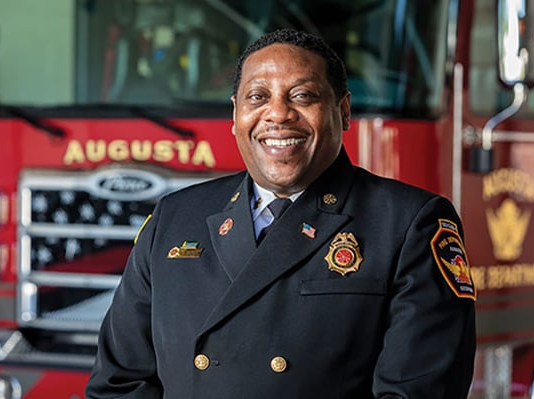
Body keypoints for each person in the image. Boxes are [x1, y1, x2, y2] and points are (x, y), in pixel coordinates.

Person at [86, 28, 476, 398]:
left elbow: (419, 391)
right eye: (257, 97)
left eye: (303, 96)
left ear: (343, 110)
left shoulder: (410, 224)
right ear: (235, 115)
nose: (278, 114)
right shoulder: (174, 218)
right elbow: (119, 383)